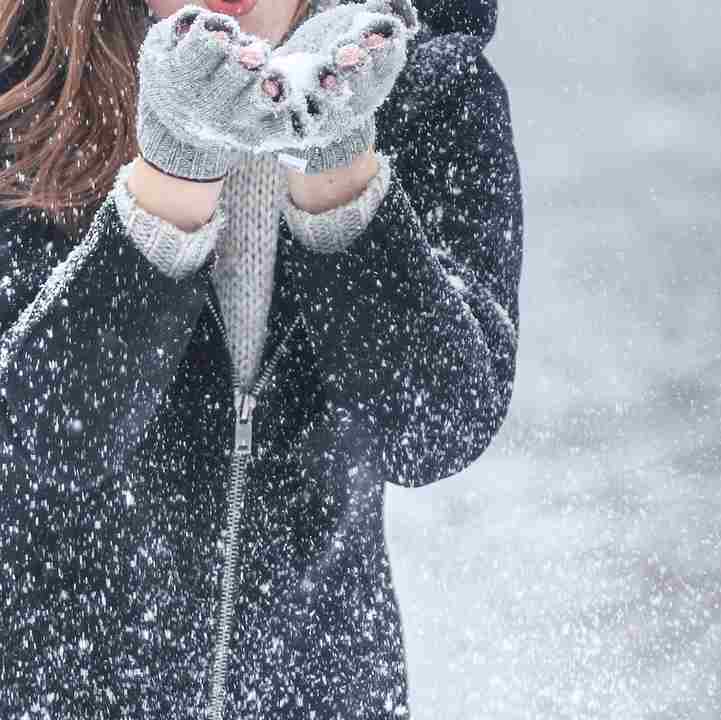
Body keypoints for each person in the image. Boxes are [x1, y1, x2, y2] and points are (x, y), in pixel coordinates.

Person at [0, 0, 522, 716]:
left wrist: (340, 170)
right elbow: (41, 443)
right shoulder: (22, 79)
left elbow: (435, 431)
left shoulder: (432, 85)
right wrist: (174, 176)